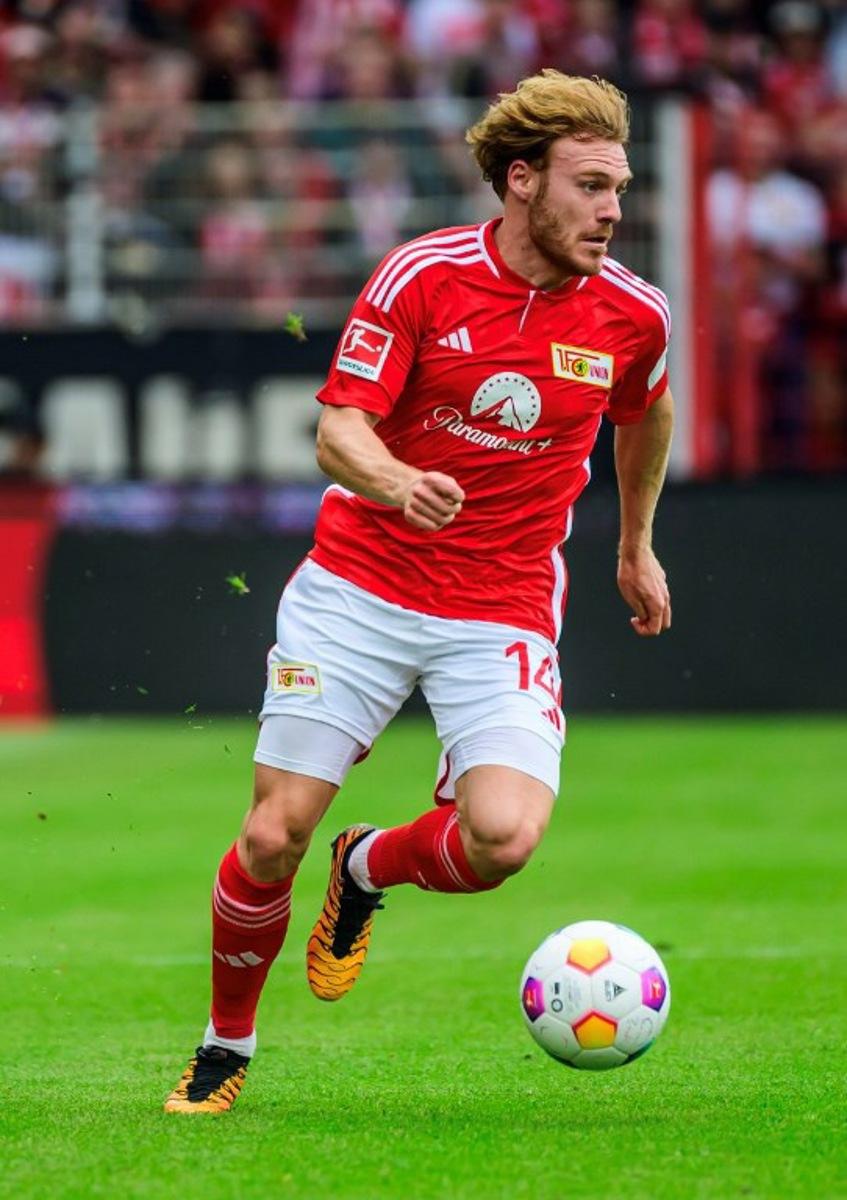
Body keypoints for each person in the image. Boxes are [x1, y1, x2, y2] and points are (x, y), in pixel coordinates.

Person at [164, 68, 673, 1114]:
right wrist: (396, 480)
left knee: (503, 840)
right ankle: (225, 1046)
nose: (611, 211)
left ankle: (365, 869)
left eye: (618, 188)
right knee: (270, 836)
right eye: (589, 186)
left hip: (501, 605)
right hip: (359, 589)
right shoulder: (422, 277)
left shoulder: (632, 313)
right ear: (521, 181)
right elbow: (337, 430)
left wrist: (635, 544)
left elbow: (646, 410)